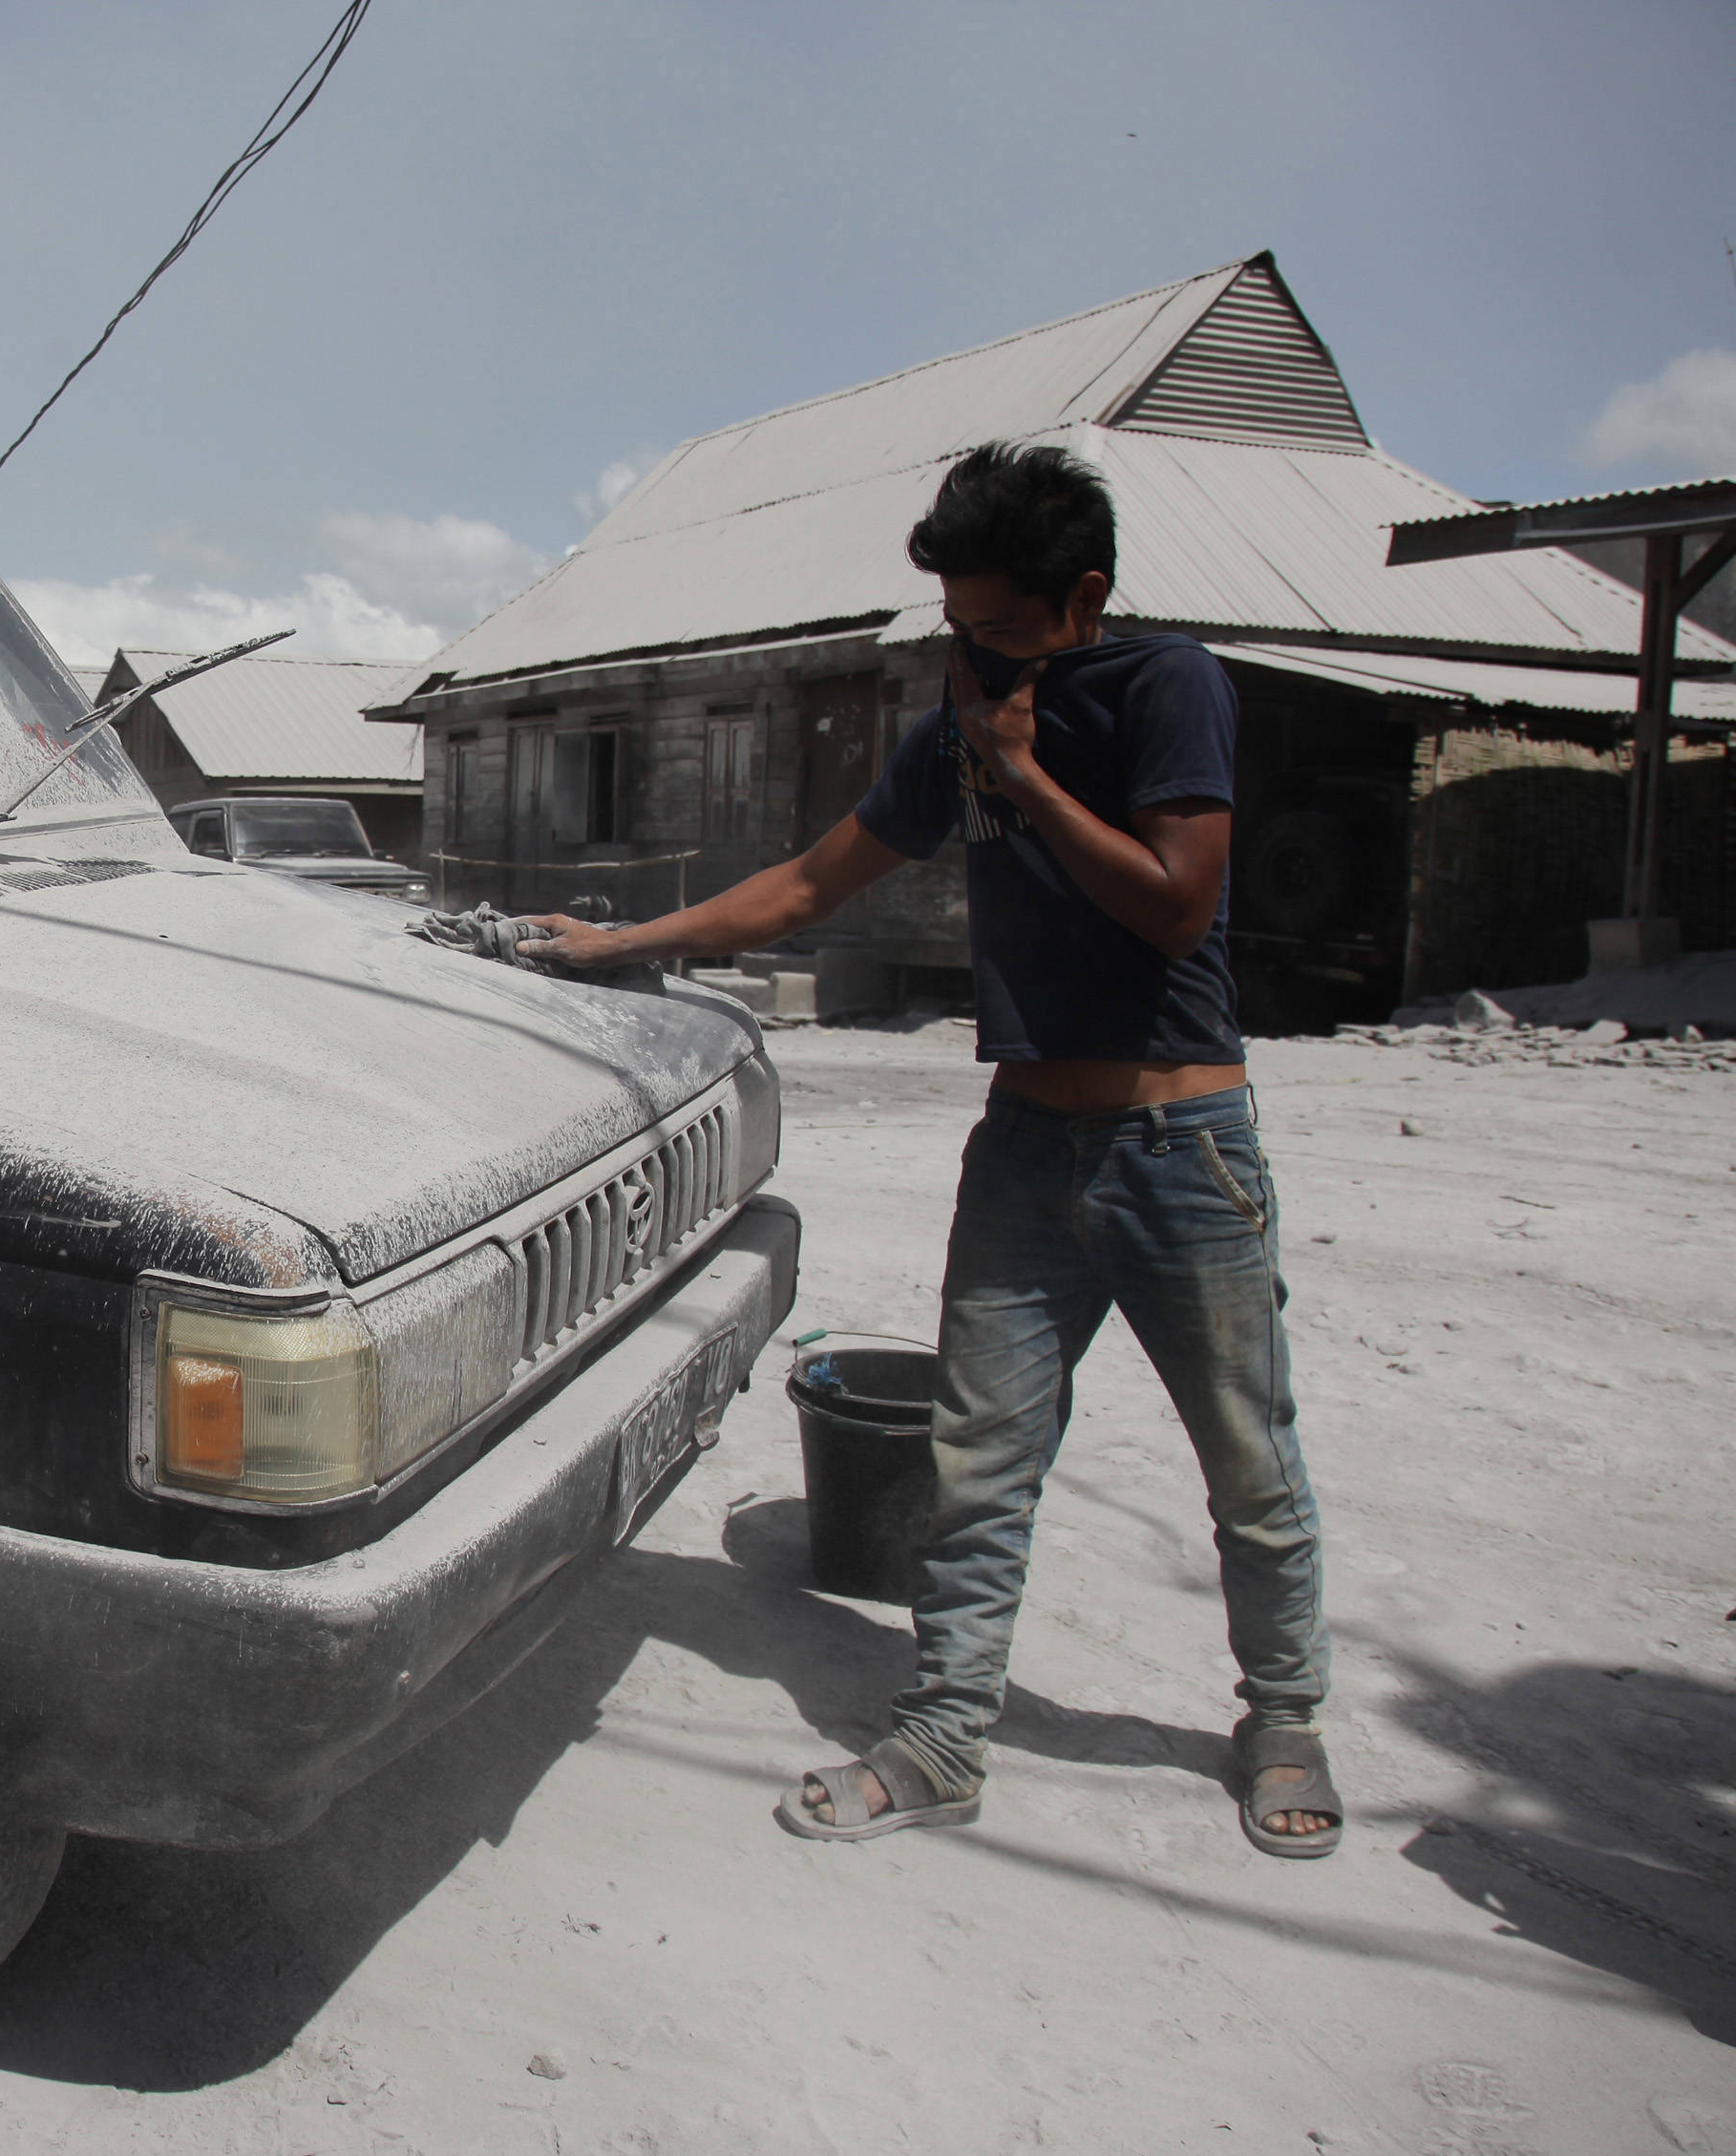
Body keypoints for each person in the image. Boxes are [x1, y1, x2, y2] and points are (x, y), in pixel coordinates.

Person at [515, 440, 1340, 1859]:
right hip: (1027, 1144)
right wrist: (622, 945)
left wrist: (1023, 775)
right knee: (980, 1456)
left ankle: (1285, 1715)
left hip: (1177, 1144)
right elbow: (805, 887)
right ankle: (949, 1732)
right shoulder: (956, 731)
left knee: (1247, 1460)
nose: (973, 657)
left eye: (1000, 629)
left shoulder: (1166, 687)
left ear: (1082, 595)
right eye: (957, 629)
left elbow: (1177, 906)